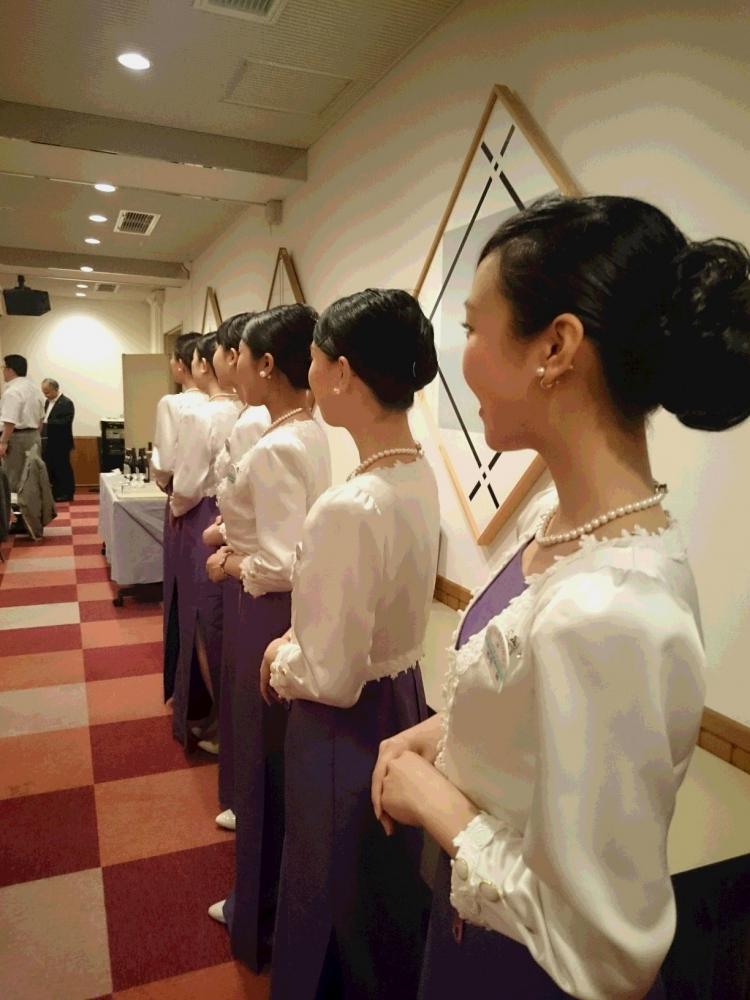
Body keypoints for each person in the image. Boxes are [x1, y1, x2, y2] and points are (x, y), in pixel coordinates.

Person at [371, 195, 750, 999]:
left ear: (555, 346)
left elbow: (604, 953)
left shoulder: (612, 608)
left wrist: (438, 806)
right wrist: (441, 734)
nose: (461, 359)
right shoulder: (557, 519)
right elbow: (528, 710)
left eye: (473, 329)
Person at [262, 289, 440, 999]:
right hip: (402, 698)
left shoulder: (352, 503)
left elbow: (331, 676)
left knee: (329, 888)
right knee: (379, 890)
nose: (309, 374)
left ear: (340, 372)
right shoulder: (414, 471)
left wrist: (281, 660)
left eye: (314, 359)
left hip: (347, 722)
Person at [204, 304, 331, 974]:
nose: (235, 368)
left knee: (260, 763)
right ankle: (264, 901)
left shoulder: (281, 445)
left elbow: (282, 561)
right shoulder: (308, 432)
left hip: (267, 606)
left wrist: (229, 562)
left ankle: (255, 912)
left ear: (268, 365)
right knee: (270, 763)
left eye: (242, 357)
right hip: (281, 605)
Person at [205, 311, 269, 827]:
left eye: (234, 352)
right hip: (244, 554)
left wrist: (227, 548)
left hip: (250, 564)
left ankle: (248, 798)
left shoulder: (255, 423)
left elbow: (254, 508)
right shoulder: (264, 419)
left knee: (248, 690)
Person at [167, 333, 241, 749]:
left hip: (203, 517)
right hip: (237, 518)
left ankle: (220, 722)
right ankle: (223, 718)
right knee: (228, 622)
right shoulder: (250, 411)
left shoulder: (200, 415)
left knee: (203, 622)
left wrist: (175, 508)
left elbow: (186, 485)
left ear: (202, 364)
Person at [153, 331, 207, 712]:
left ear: (184, 364)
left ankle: (188, 695)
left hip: (184, 504)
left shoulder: (174, 404)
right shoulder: (236, 404)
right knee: (210, 605)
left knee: (182, 596)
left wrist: (167, 489)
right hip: (219, 508)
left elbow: (164, 465)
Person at [0, 355, 45, 492]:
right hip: (34, 436)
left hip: (16, 438)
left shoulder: (12, 391)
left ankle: (16, 505)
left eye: (3, 368)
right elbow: (41, 419)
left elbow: (10, 421)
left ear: (10, 370)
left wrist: (3, 442)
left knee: (13, 477)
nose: (2, 371)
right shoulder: (34, 389)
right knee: (33, 477)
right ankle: (31, 505)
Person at [40, 378, 75, 502]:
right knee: (51, 467)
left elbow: (66, 421)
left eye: (48, 392)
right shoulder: (47, 402)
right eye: (44, 392)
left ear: (56, 389)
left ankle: (67, 493)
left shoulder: (66, 403)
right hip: (48, 441)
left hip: (61, 441)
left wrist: (47, 423)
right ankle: (56, 492)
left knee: (63, 468)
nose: (46, 395)